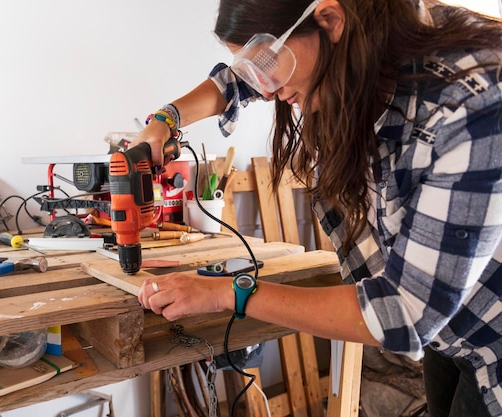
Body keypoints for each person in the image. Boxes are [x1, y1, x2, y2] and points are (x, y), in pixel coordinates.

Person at [133, 1, 502, 415]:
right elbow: (238, 80)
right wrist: (164, 120)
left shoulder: (475, 101)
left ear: (330, 19)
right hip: (449, 326)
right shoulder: (368, 34)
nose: (267, 89)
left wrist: (225, 293)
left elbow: (404, 313)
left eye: (269, 64)